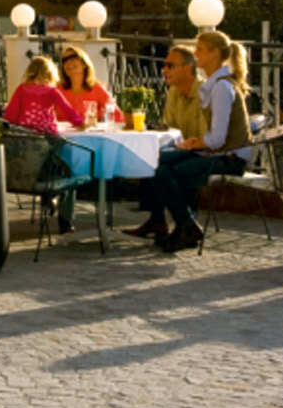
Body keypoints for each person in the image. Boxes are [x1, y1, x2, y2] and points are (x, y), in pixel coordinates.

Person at [151, 29, 254, 253]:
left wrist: (194, 144)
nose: (195, 53)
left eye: (200, 49)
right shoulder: (215, 84)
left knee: (167, 172)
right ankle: (184, 226)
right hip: (217, 152)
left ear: (214, 53)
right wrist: (194, 143)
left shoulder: (221, 88)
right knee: (158, 162)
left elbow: (217, 139)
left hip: (230, 159)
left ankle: (186, 226)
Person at [120, 43, 206, 242]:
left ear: (188, 68)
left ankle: (185, 224)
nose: (164, 70)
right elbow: (170, 128)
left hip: (204, 149)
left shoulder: (204, 92)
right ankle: (158, 220)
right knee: (148, 157)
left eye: (170, 65)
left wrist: (186, 145)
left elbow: (207, 135)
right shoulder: (174, 92)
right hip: (183, 147)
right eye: (164, 65)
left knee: (160, 164)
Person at [3, 57, 88, 234]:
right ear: (51, 73)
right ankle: (64, 218)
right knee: (66, 169)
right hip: (49, 140)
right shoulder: (52, 92)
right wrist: (82, 122)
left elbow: (10, 117)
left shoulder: (22, 89)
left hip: (25, 143)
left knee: (41, 165)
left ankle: (48, 194)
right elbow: (70, 113)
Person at [57, 47, 119, 124]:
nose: (68, 62)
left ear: (84, 63)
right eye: (64, 60)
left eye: (72, 58)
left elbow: (117, 115)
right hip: (61, 132)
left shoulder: (97, 89)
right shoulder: (57, 90)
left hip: (90, 131)